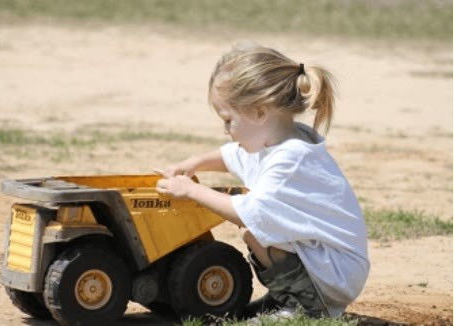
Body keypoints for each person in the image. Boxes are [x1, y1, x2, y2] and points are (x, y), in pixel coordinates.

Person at [154, 43, 369, 319]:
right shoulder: (280, 141)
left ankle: (305, 308)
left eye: (228, 120)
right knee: (255, 231)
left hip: (335, 272)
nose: (225, 130)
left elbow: (250, 211)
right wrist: (191, 164)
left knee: (254, 227)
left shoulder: (290, 159)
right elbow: (232, 156)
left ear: (259, 112)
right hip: (330, 266)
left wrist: (192, 191)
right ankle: (287, 298)